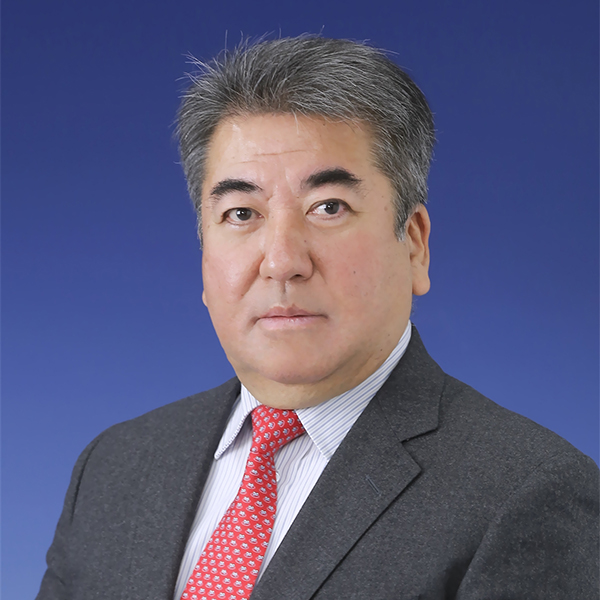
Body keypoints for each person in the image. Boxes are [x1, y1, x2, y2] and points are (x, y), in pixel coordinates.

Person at [37, 36, 598, 600]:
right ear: (204, 254)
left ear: (414, 245)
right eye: (241, 213)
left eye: (328, 207)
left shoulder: (528, 495)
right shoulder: (114, 467)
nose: (282, 261)